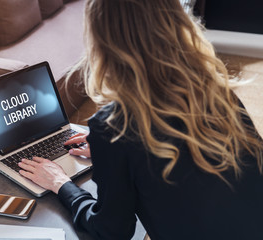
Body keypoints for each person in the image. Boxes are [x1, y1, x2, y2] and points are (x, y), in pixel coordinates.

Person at [18, 0, 263, 239]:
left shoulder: (114, 126)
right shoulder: (218, 92)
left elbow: (111, 231)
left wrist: (61, 184)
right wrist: (114, 154)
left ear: (103, 41)